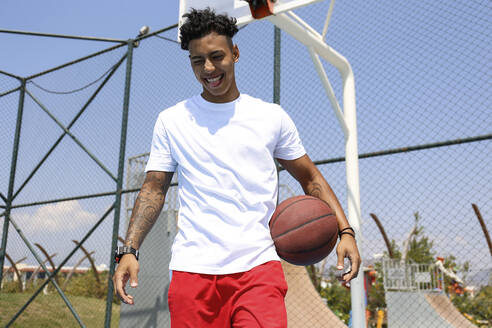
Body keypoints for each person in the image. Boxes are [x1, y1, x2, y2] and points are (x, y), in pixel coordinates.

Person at [113, 7, 361, 328]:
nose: (208, 67)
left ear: (235, 53)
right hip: (193, 270)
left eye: (217, 56)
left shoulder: (271, 117)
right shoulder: (172, 120)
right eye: (197, 60)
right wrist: (128, 251)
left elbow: (310, 177)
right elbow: (153, 189)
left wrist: (345, 231)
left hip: (257, 268)